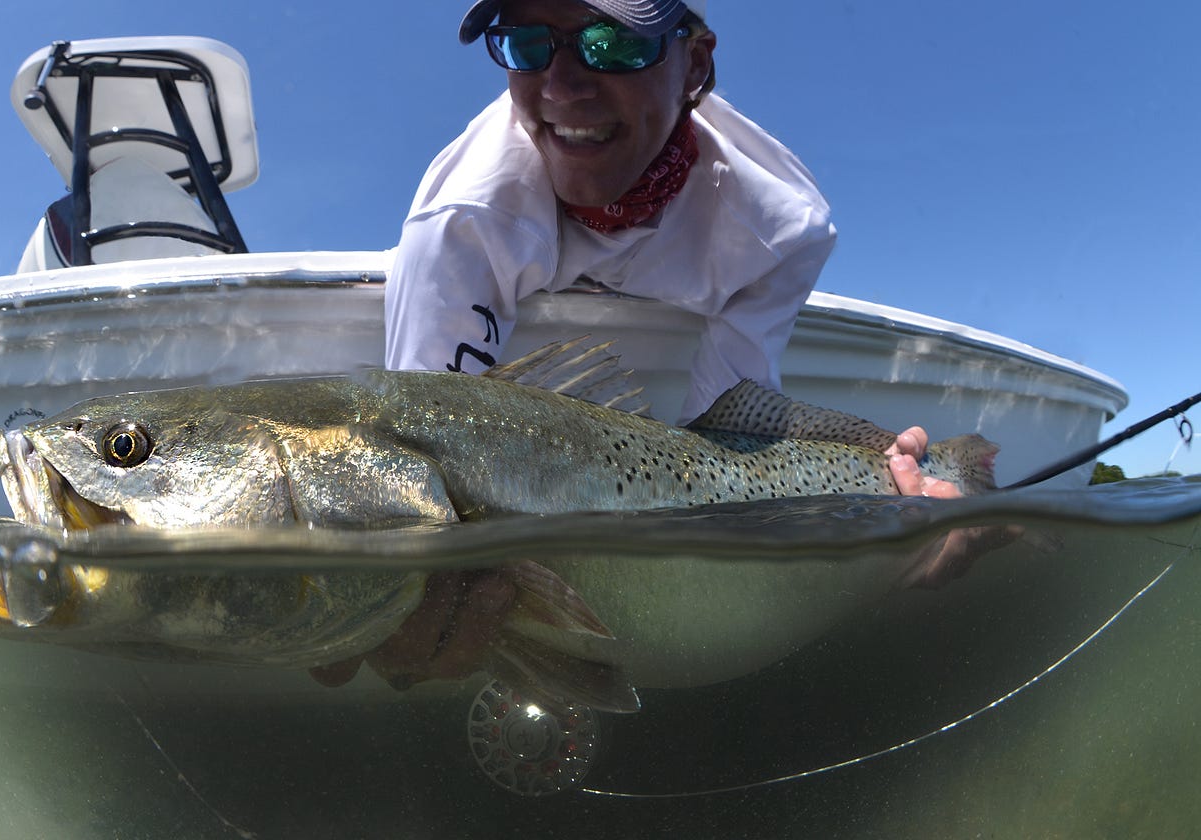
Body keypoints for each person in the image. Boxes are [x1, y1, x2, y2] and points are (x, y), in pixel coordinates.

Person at [312, 0, 975, 692]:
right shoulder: (462, 220)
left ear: (696, 63)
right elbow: (426, 461)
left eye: (612, 44)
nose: (562, 87)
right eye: (526, 45)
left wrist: (883, 496)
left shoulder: (780, 228)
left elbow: (730, 439)